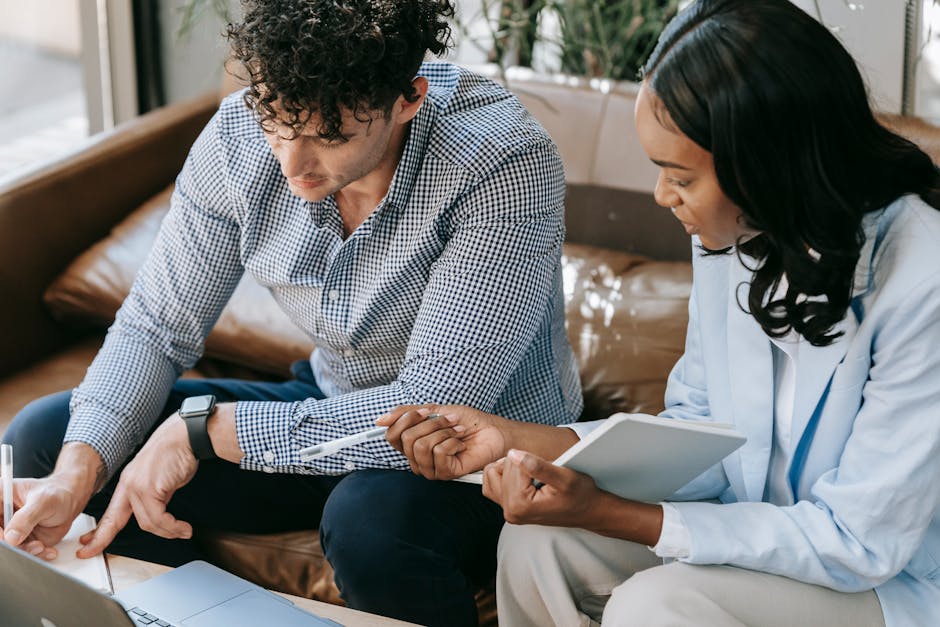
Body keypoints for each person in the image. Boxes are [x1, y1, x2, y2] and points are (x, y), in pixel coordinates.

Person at [0, 1, 582, 625]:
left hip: (476, 450)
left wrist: (211, 431)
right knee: (50, 437)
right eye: (276, 123)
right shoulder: (238, 138)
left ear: (407, 100)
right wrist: (75, 472)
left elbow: (436, 403)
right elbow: (155, 326)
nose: (291, 163)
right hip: (331, 401)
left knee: (369, 522)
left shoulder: (503, 158)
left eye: (327, 137)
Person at [379, 1, 940, 625]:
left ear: (768, 166)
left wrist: (606, 512)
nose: (661, 195)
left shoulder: (924, 281)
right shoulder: (738, 231)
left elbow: (860, 544)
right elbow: (700, 438)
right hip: (760, 533)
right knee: (539, 544)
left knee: (658, 604)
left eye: (679, 175)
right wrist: (511, 440)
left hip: (887, 581)